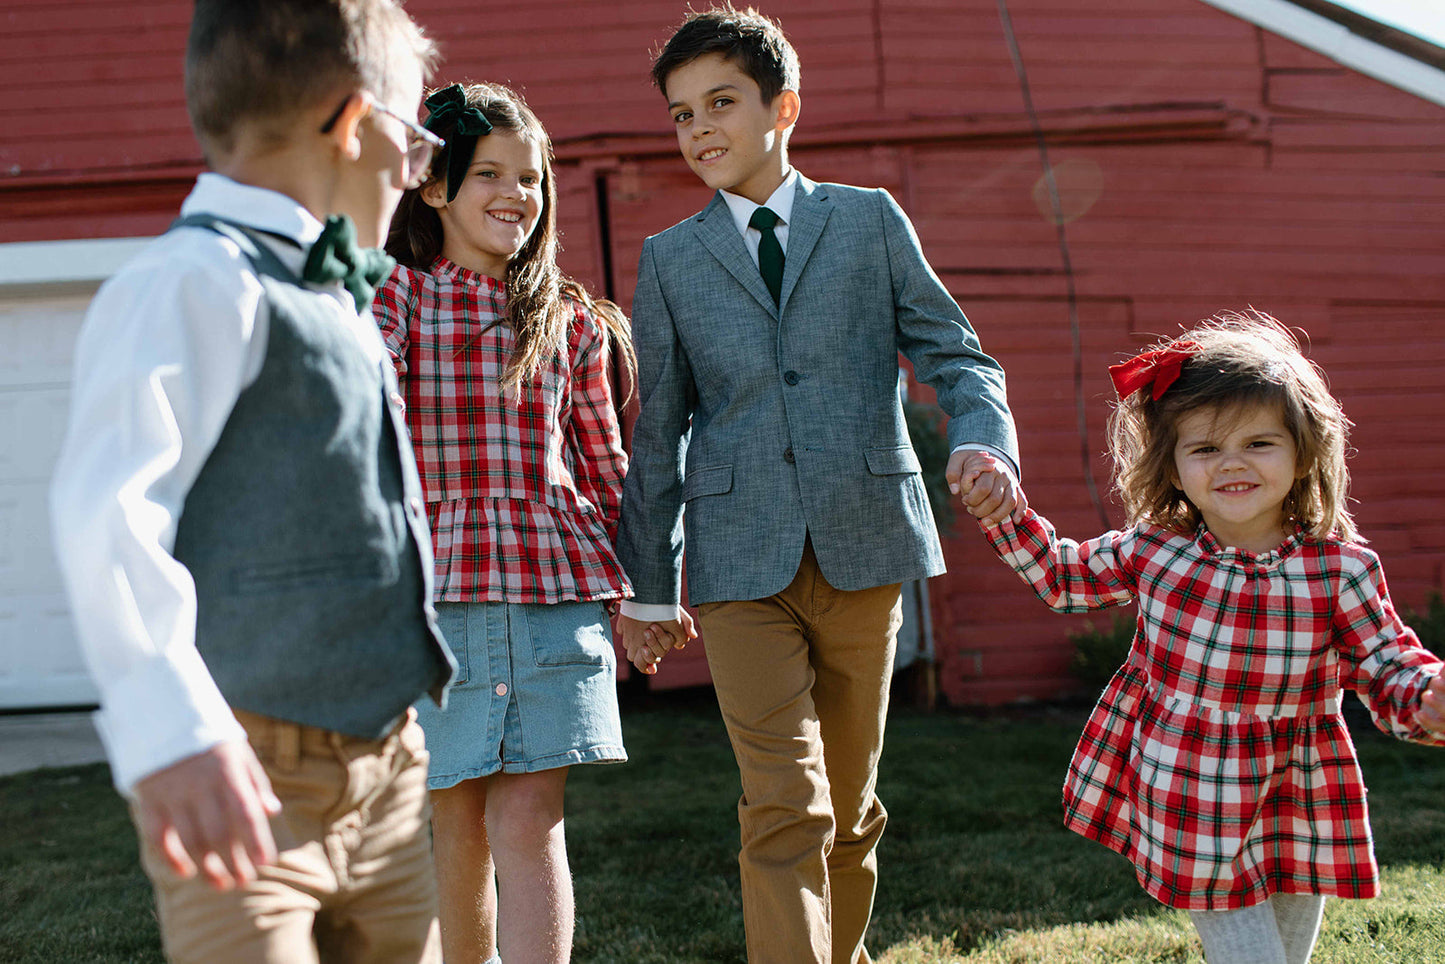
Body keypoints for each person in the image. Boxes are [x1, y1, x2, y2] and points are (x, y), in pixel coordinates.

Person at [47, 2, 457, 961]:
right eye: (416, 139)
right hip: (247, 775)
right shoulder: (194, 281)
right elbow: (108, 512)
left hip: (389, 769)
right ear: (354, 124)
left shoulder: (331, 291)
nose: (416, 168)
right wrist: (173, 735)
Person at [614, 7, 1020, 962]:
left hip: (864, 539)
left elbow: (958, 356)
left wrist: (984, 442)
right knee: (784, 803)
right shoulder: (670, 259)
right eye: (680, 115)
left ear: (782, 106)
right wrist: (646, 584)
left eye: (720, 102)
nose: (699, 129)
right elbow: (657, 433)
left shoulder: (869, 220)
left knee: (849, 804)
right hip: (737, 562)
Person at [960, 312, 1445, 964]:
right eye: (1205, 449)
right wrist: (1004, 513)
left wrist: (1428, 696)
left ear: (1303, 452)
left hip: (1298, 796)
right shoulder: (1157, 549)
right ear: (1173, 465)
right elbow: (1062, 576)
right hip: (1193, 790)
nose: (1231, 465)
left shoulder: (1338, 568)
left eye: (1258, 443)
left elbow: (1385, 660)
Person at [374, 81, 637, 964]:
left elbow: (606, 471)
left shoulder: (567, 321)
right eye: (488, 173)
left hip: (548, 587)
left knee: (530, 815)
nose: (515, 196)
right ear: (435, 186)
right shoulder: (399, 300)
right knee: (454, 813)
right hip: (436, 598)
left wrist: (644, 591)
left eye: (530, 179)